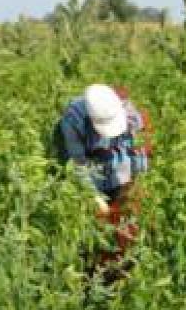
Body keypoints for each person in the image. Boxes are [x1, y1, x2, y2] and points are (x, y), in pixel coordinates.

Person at [56, 84, 151, 268]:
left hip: (117, 156)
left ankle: (127, 256)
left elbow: (140, 145)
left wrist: (136, 180)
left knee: (129, 212)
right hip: (91, 161)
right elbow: (78, 165)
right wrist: (96, 199)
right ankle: (95, 261)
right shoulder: (72, 121)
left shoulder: (127, 111)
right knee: (95, 217)